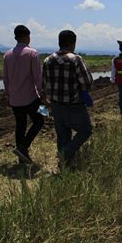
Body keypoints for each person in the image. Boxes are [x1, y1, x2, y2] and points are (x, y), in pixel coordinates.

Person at [43, 30, 93, 167]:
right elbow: (87, 82)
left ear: (59, 42)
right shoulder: (75, 59)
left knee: (63, 135)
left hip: (56, 105)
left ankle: (64, 165)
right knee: (86, 130)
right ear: (73, 43)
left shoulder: (47, 60)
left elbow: (45, 83)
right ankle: (65, 154)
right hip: (74, 105)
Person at [3, 25, 45, 164]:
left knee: (20, 126)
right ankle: (23, 147)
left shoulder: (7, 54)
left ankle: (21, 158)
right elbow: (37, 77)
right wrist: (42, 95)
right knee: (40, 121)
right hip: (31, 98)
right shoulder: (32, 53)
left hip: (15, 99)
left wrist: (8, 95)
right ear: (27, 36)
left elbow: (6, 78)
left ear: (16, 37)